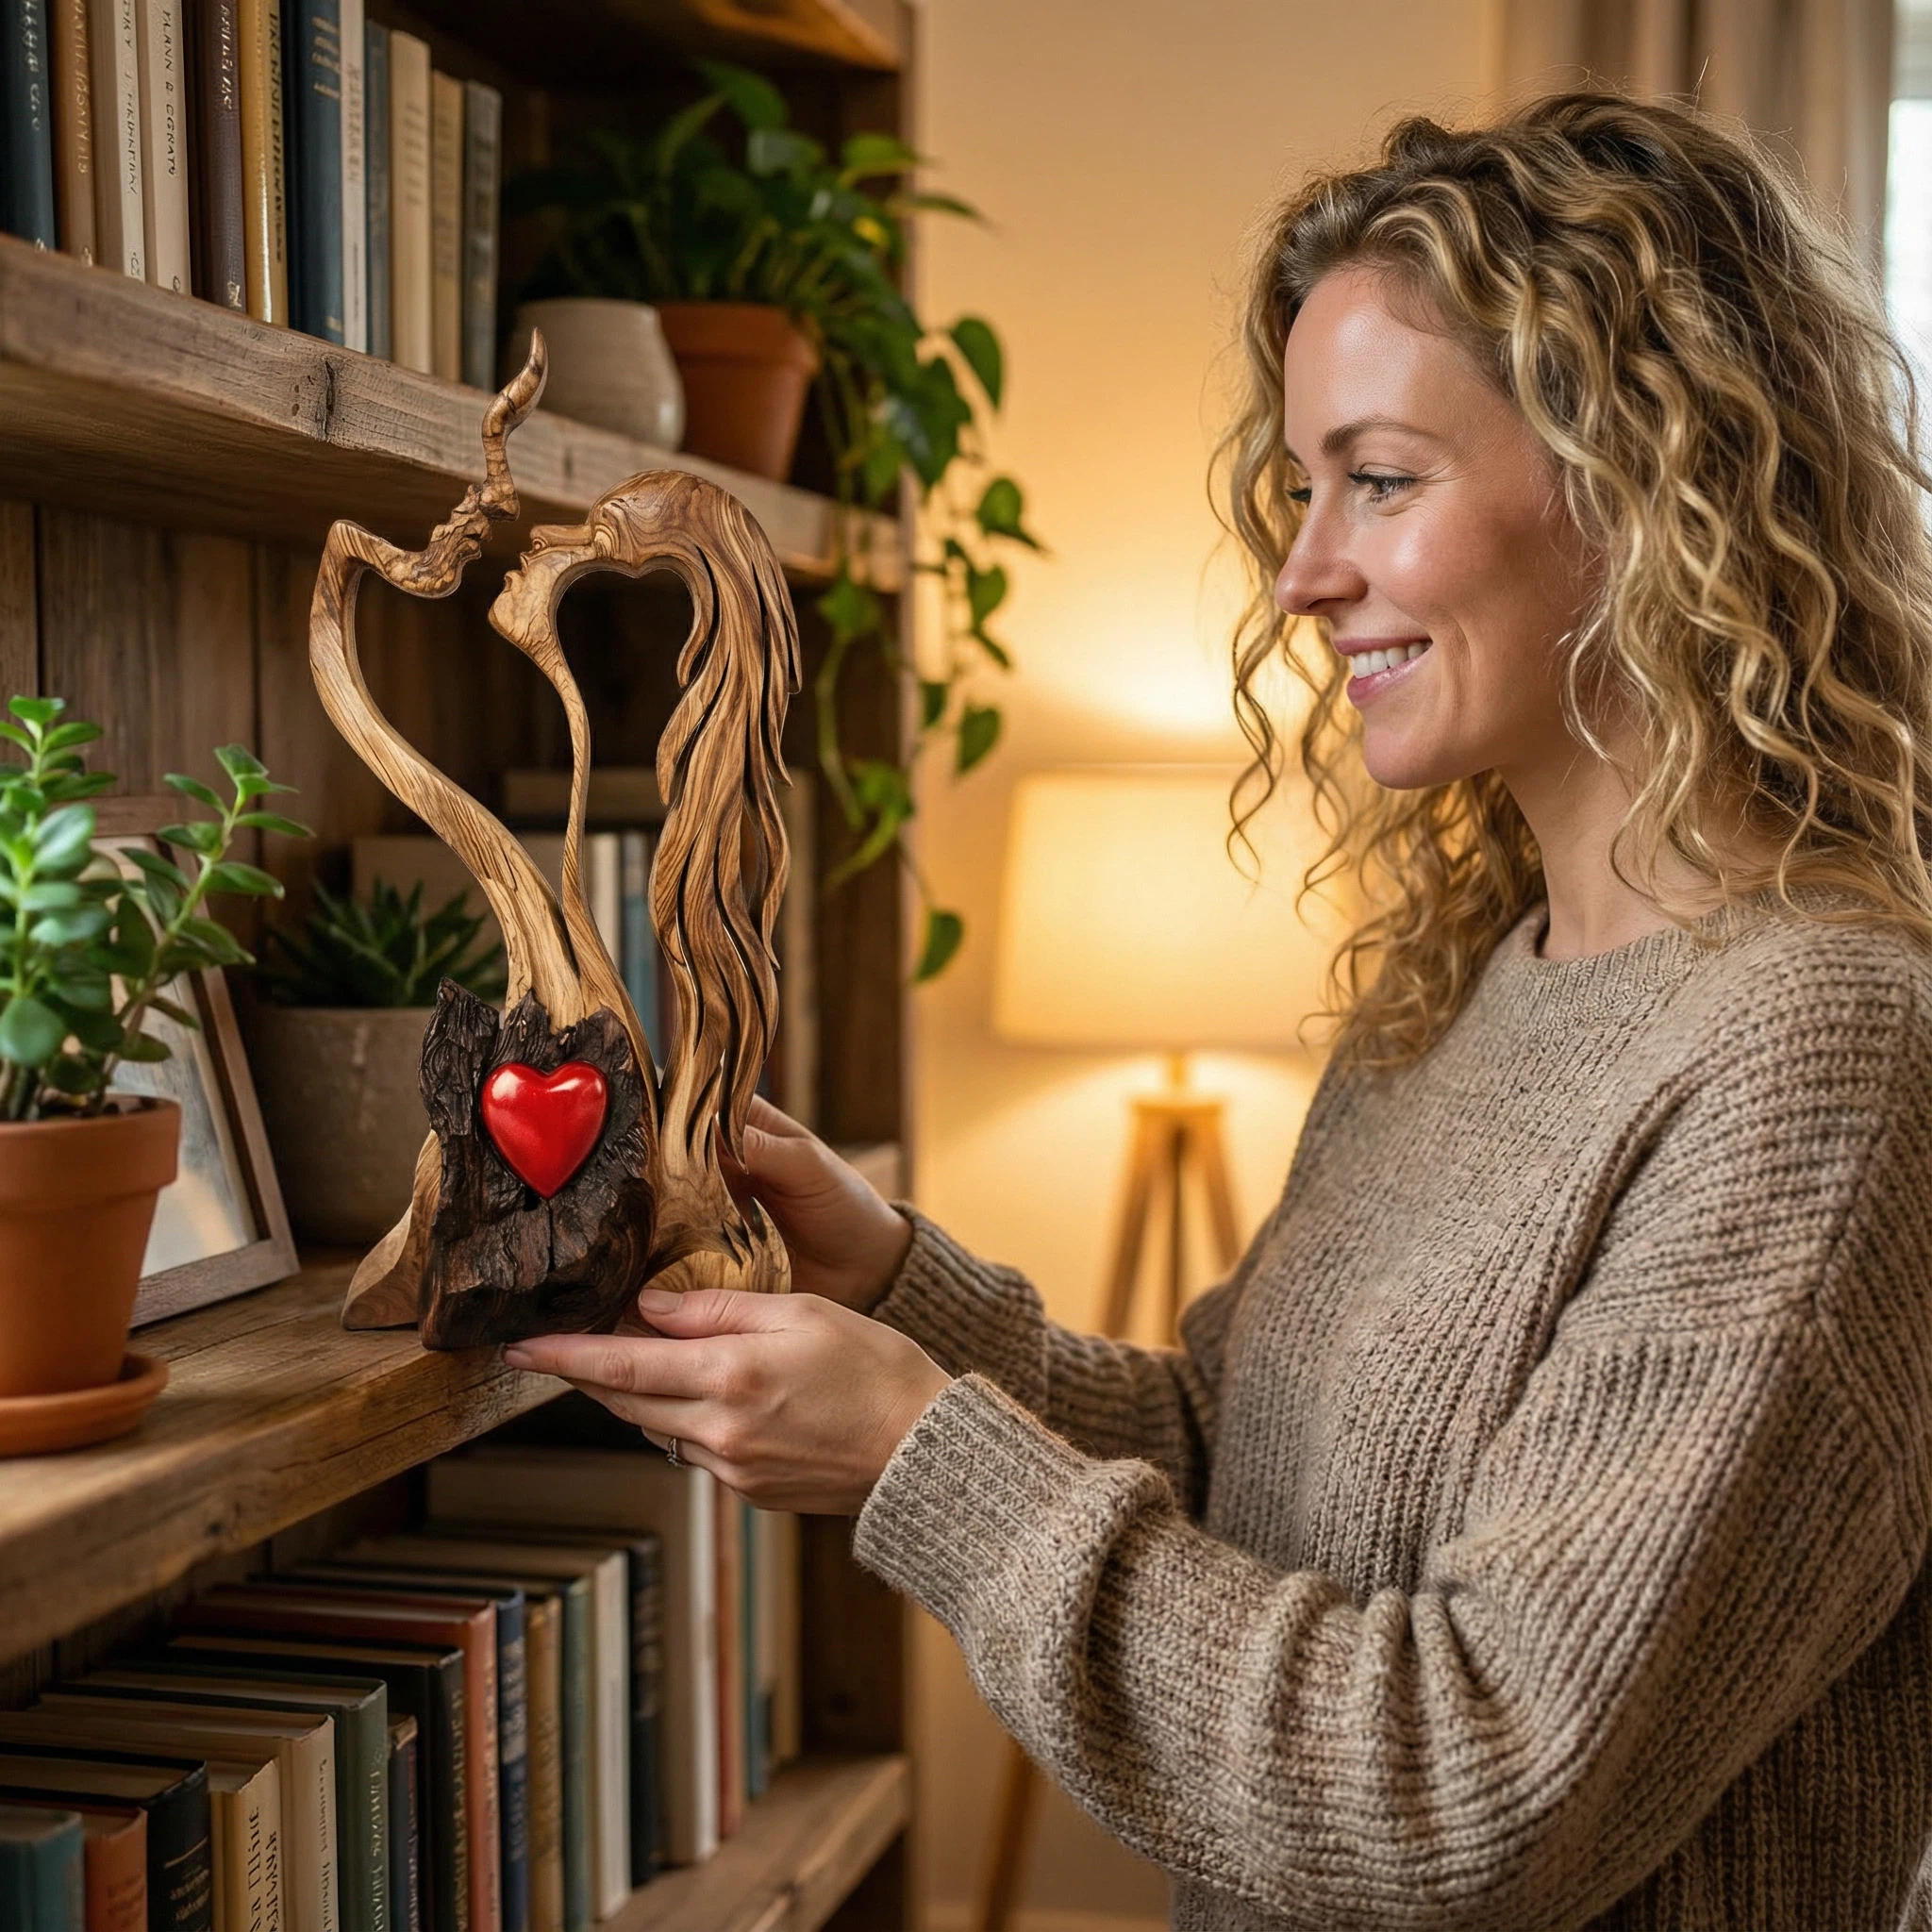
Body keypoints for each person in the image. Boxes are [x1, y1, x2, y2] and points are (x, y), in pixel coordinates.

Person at [501, 92, 1932, 1928]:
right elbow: (1233, 1468)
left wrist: (910, 1454)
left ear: (1648, 482)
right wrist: (891, 1284)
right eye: (1298, 488)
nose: (1303, 570)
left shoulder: (1819, 1053)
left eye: (1383, 480)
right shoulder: (1474, 982)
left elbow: (1458, 1789)